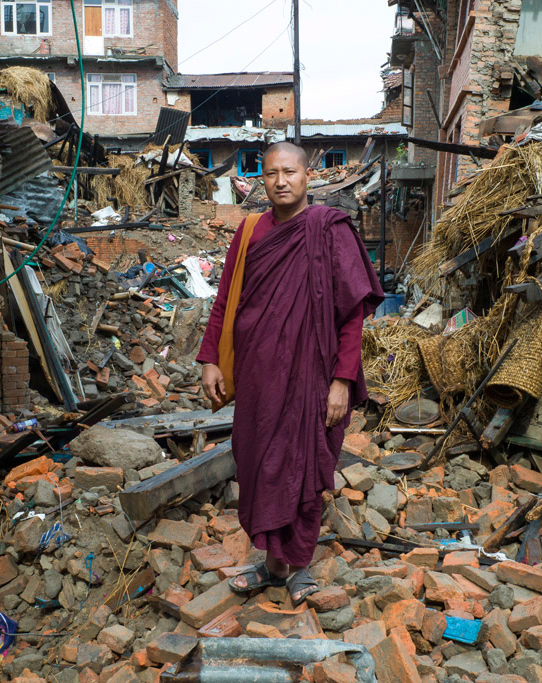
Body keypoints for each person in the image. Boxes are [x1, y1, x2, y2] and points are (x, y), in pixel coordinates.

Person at [196, 142, 384, 605]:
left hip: (311, 377)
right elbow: (226, 300)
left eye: (290, 172)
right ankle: (272, 566)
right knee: (259, 464)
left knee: (300, 467)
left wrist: (342, 379)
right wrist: (210, 359)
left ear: (308, 176)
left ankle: (299, 568)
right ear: (262, 179)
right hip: (258, 376)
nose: (281, 181)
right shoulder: (249, 232)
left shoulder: (329, 230)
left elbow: (353, 315)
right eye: (271, 173)